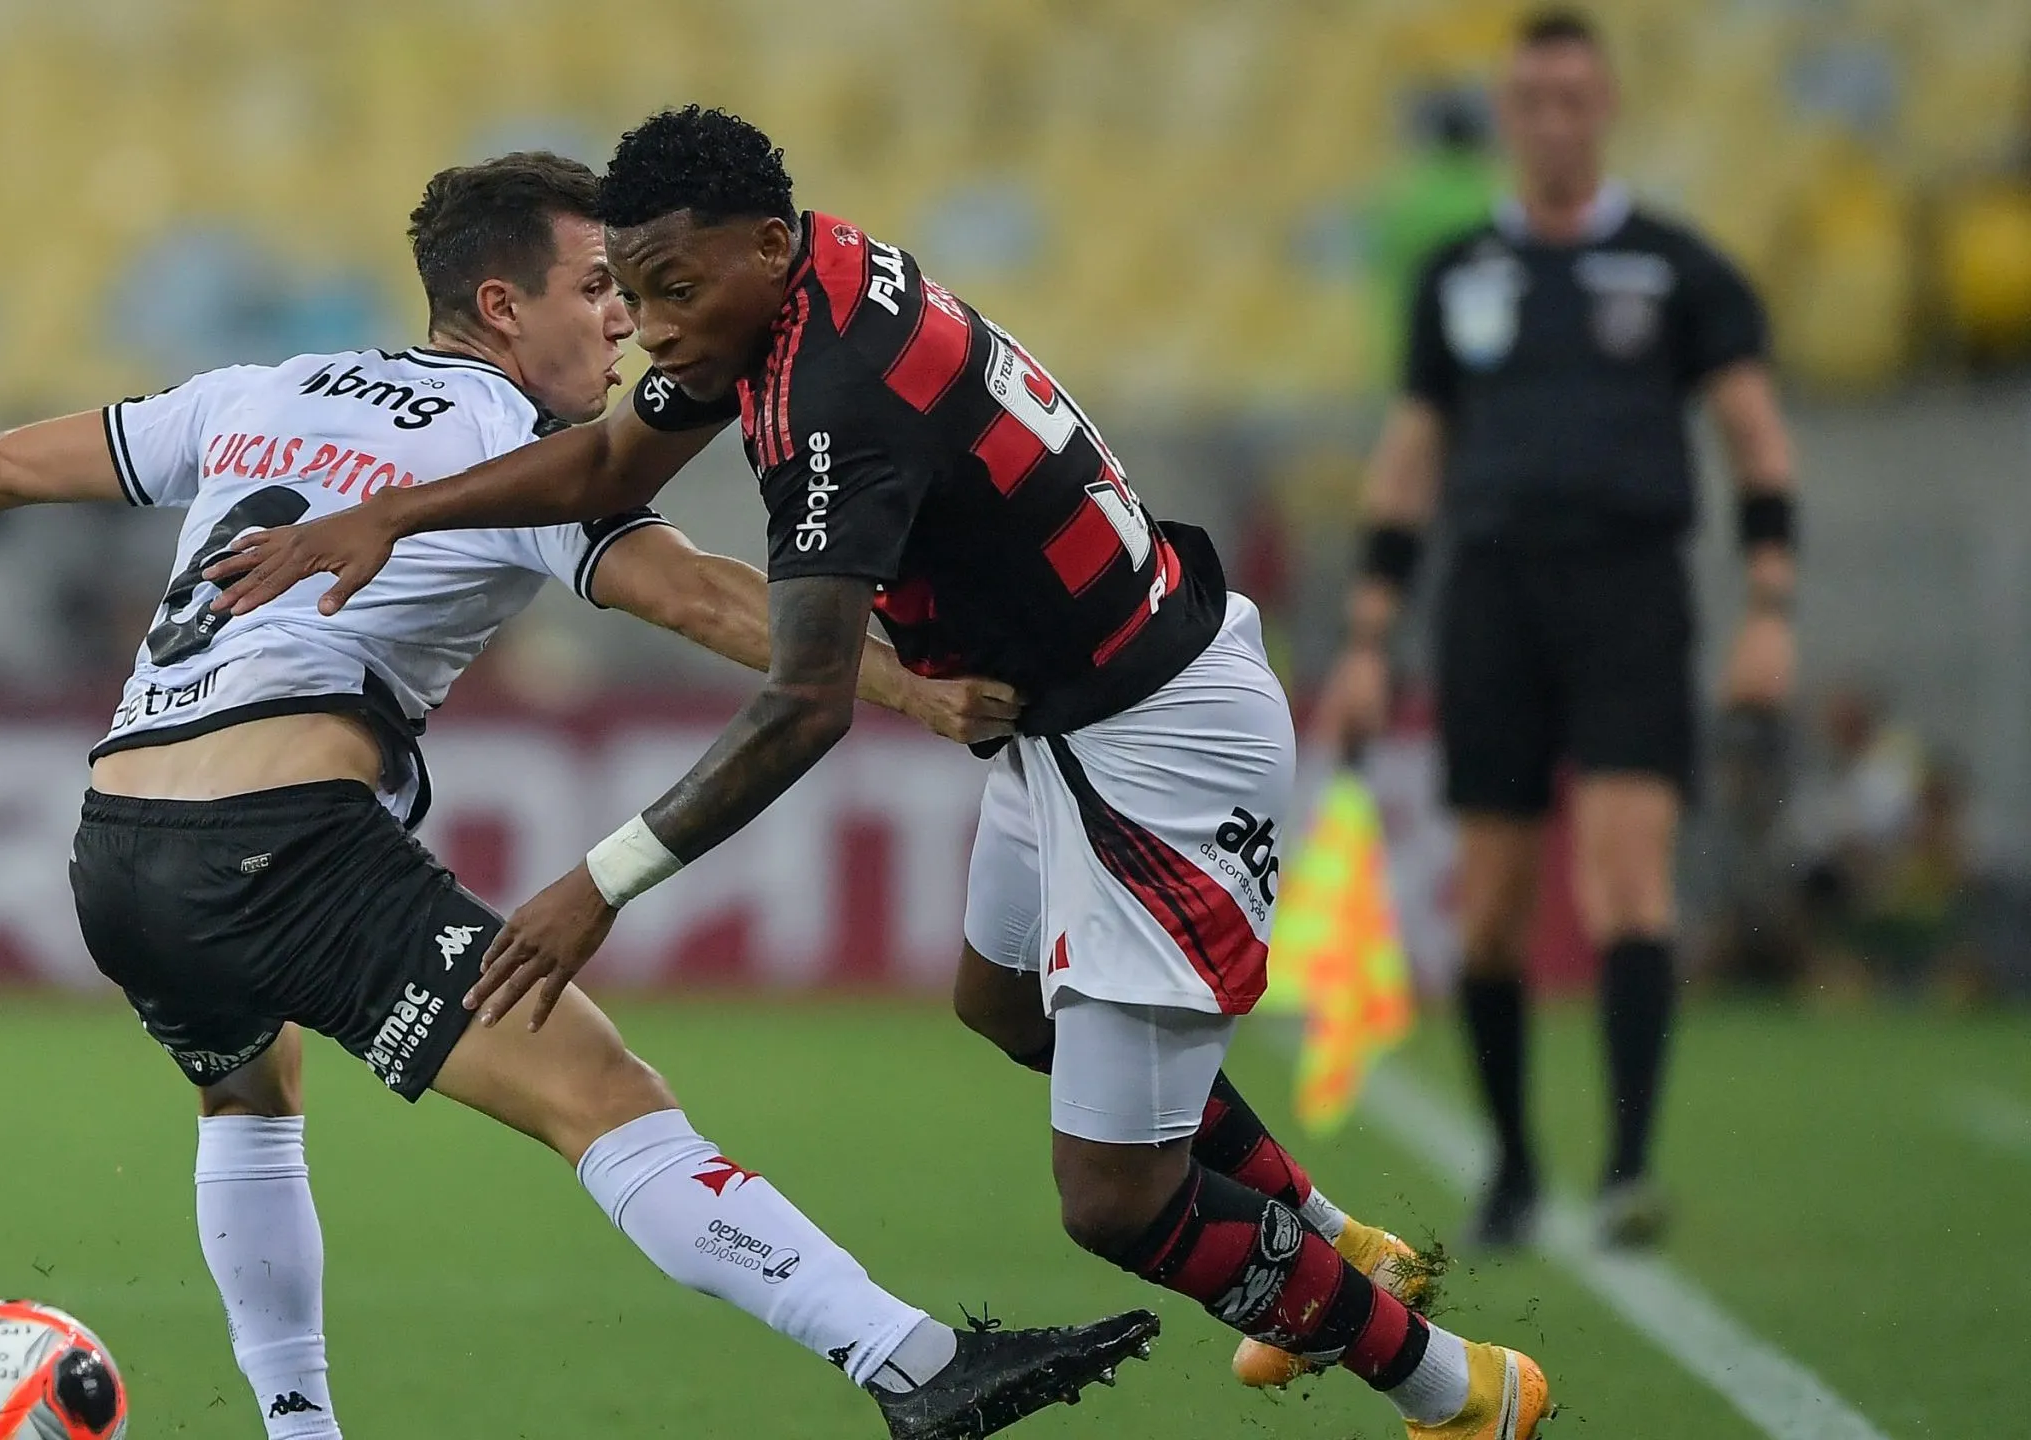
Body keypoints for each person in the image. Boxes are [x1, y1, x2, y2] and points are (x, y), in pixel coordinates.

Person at [0, 153, 1154, 1440]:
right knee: (606, 1103)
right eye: (591, 292)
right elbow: (694, 595)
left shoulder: (260, 388)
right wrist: (916, 687)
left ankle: (301, 1430)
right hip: (277, 842)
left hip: (117, 849)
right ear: (503, 307)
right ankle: (915, 1367)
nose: (621, 323)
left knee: (250, 1090)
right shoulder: (511, 442)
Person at [211, 109, 1549, 1440]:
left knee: (1113, 1203)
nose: (656, 331)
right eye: (634, 294)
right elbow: (616, 458)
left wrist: (597, 884)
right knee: (1004, 1003)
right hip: (1071, 713)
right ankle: (1331, 1242)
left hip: (1155, 751)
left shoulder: (839, 396)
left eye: (674, 293)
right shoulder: (788, 292)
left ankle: (1456, 1393)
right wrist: (391, 510)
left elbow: (803, 706)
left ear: (765, 246)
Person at [1313, 9, 1800, 1248]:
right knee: (1490, 904)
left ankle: (1628, 1165)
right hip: (1492, 598)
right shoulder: (1461, 274)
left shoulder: (1679, 268)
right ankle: (1517, 1168)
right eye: (1530, 101)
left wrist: (1770, 608)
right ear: (1507, 113)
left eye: (1573, 99)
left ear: (1607, 107)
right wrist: (1369, 638)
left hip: (1632, 592)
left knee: (1627, 873)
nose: (1552, 121)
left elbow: (1754, 437)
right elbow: (1410, 458)